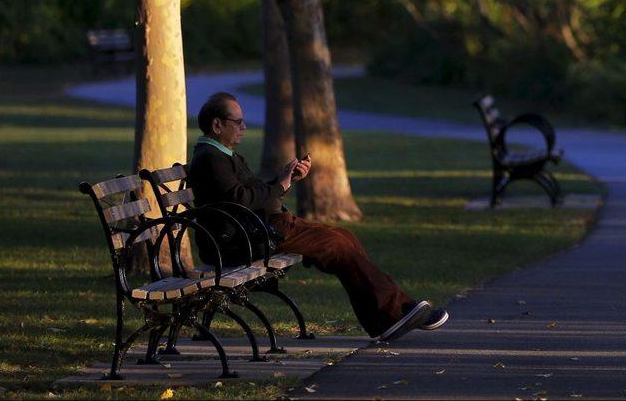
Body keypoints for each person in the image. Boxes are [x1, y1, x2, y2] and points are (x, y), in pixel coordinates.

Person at [188, 91, 448, 342]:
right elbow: (240, 199)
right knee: (338, 244)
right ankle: (394, 313)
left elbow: (247, 194)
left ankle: (390, 315)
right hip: (245, 241)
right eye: (238, 121)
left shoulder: (220, 155)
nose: (244, 126)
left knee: (343, 238)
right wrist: (280, 185)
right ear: (217, 125)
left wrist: (284, 179)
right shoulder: (212, 159)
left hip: (260, 229)